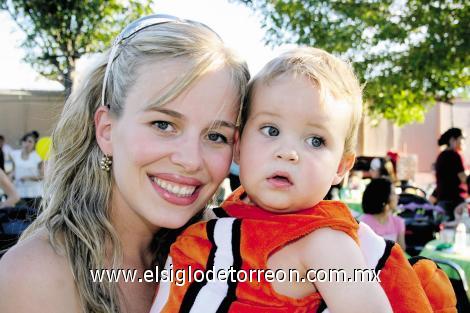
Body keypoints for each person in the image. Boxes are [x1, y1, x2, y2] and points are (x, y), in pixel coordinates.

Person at [153, 48, 455, 313]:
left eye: (315, 140)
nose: (288, 152)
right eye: (271, 130)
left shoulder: (324, 244)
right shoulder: (217, 222)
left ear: (341, 167)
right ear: (239, 145)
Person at [0, 14, 249, 313]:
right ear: (106, 130)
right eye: (163, 124)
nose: (191, 160)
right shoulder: (36, 275)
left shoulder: (226, 253)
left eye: (216, 136)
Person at [361, 178, 406, 250]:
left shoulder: (398, 222)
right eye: (393, 193)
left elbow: (401, 250)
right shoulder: (364, 223)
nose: (397, 197)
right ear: (384, 196)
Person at [435, 127, 468, 220]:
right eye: (462, 139)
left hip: (442, 199)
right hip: (456, 201)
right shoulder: (455, 156)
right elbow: (463, 178)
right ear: (453, 140)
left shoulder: (441, 155)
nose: (463, 143)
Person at [9, 132, 44, 210]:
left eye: (30, 141)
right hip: (19, 193)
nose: (27, 144)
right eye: (25, 141)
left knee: (35, 217)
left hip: (35, 194)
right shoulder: (15, 155)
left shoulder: (38, 157)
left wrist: (29, 177)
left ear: (34, 144)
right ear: (22, 142)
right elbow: (14, 171)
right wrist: (10, 177)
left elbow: (43, 176)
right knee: (20, 218)